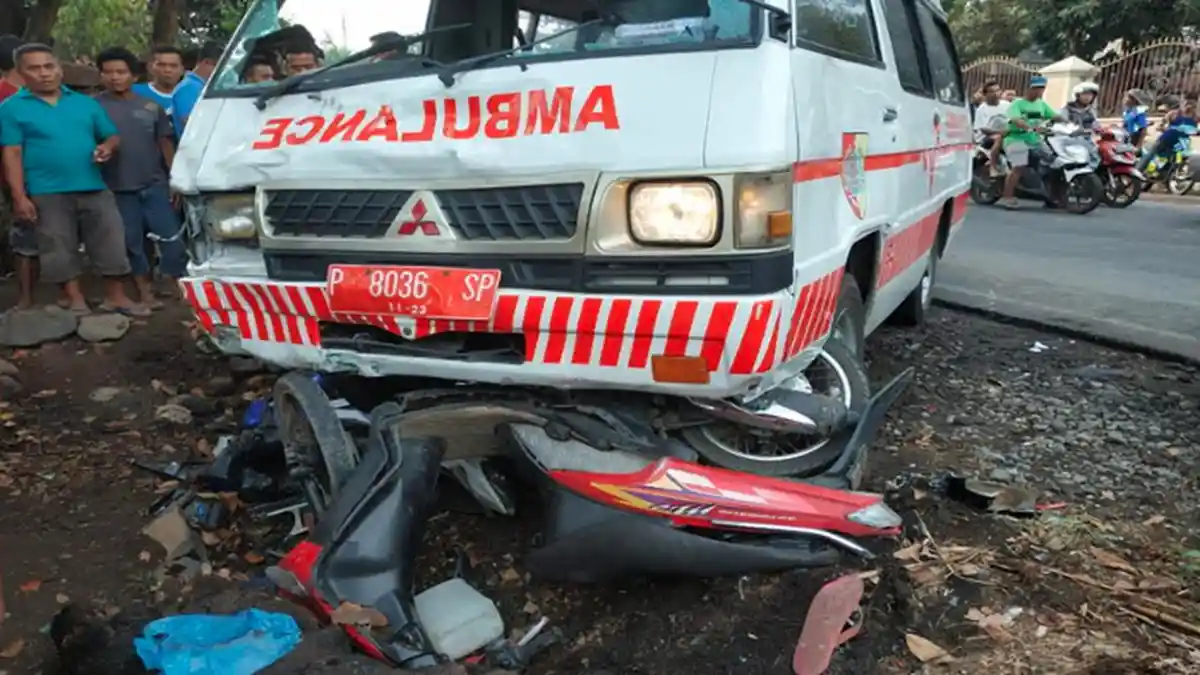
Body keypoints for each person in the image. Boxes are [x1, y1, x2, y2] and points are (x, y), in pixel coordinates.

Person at [0, 43, 145, 316]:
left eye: (49, 66)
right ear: (21, 73)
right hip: (46, 189)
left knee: (111, 240)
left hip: (93, 184)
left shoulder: (84, 103)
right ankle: (75, 300)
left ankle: (116, 297)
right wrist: (19, 197)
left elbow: (111, 135)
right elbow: (12, 153)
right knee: (57, 246)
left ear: (59, 68)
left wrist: (108, 147)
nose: (44, 73)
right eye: (35, 68)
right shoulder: (11, 108)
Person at [95, 46, 185, 308]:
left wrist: (174, 178)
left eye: (121, 72)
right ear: (101, 75)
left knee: (171, 238)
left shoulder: (150, 107)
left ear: (134, 76)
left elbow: (165, 144)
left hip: (155, 184)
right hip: (117, 188)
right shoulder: (93, 107)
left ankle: (172, 283)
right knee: (131, 242)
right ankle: (144, 291)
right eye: (108, 72)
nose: (114, 77)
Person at [0, 34, 36, 310]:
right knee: (24, 234)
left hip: (40, 176)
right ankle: (25, 298)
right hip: (15, 178)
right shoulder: (8, 99)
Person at [1000, 75, 1064, 210]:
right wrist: (1028, 127)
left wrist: (1067, 121)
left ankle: (1052, 196)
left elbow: (1054, 116)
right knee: (1019, 167)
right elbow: (1016, 120)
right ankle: (1008, 196)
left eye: (1042, 89)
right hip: (1016, 138)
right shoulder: (1017, 104)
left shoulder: (1041, 104)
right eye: (1037, 89)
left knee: (1056, 162)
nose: (1040, 92)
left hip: (1035, 139)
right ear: (1030, 88)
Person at [1134, 97, 1198, 179]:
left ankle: (1166, 175)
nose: (1189, 106)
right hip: (1166, 139)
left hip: (1181, 143)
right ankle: (1137, 172)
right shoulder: (1173, 114)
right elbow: (1161, 124)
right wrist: (1161, 127)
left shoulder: (1195, 118)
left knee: (1175, 158)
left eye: (1192, 105)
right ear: (1182, 105)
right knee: (1151, 154)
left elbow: (1195, 130)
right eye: (1187, 104)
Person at [171, 41, 221, 134]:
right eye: (219, 67)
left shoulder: (200, 86)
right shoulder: (189, 87)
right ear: (207, 62)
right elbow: (190, 122)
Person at [133, 45, 186, 125]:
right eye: (161, 65)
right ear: (150, 67)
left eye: (173, 66)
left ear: (182, 70)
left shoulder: (193, 96)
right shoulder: (133, 92)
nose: (168, 70)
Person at [973, 80, 1009, 175]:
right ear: (986, 94)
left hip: (1005, 134)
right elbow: (984, 129)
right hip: (986, 138)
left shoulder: (1007, 105)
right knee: (998, 138)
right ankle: (993, 167)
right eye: (992, 91)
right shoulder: (982, 109)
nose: (995, 93)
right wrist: (1000, 132)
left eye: (997, 90)